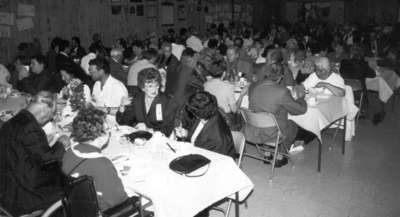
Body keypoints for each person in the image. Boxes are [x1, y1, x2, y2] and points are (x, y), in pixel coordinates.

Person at [0, 93, 68, 216]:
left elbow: (25, 148)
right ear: (43, 110)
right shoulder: (30, 127)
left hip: (7, 184)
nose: (48, 120)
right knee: (69, 184)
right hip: (23, 193)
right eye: (50, 116)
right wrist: (62, 144)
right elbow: (48, 160)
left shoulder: (14, 120)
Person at [62, 106, 128, 211]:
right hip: (99, 211)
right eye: (107, 129)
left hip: (75, 207)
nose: (109, 132)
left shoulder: (70, 151)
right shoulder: (101, 164)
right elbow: (119, 199)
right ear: (100, 135)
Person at [245, 64, 307, 167]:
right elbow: (300, 110)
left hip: (253, 129)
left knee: (269, 118)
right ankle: (280, 155)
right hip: (272, 132)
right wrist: (301, 98)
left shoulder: (253, 87)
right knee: (293, 125)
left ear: (266, 74)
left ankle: (267, 153)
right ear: (281, 77)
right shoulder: (282, 92)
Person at [116, 68, 179, 136]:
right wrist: (122, 106)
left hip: (157, 141)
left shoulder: (168, 103)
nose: (155, 90)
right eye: (150, 86)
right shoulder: (138, 99)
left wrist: (148, 130)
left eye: (156, 85)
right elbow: (123, 123)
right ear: (142, 88)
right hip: (139, 139)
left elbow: (167, 131)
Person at [175, 91, 236, 158]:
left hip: (215, 160)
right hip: (201, 153)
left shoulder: (216, 137)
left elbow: (206, 158)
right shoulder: (207, 114)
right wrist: (186, 133)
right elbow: (198, 136)